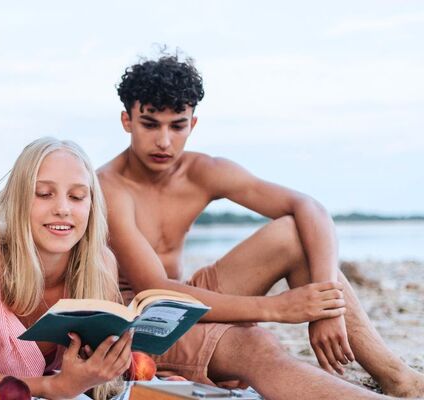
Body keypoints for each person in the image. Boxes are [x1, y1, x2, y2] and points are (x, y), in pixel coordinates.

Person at [97, 52, 424, 399]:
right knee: (255, 345)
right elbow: (155, 289)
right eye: (150, 124)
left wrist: (324, 305)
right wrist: (279, 308)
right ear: (126, 120)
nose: (164, 141)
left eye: (177, 125)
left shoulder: (202, 171)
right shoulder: (108, 186)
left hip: (189, 295)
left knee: (292, 235)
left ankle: (399, 379)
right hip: (140, 322)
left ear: (192, 124)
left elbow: (307, 206)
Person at [0, 138, 132, 399]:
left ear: (92, 204)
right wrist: (56, 387)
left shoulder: (100, 264)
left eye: (77, 196)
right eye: (44, 194)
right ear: (19, 199)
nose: (62, 209)